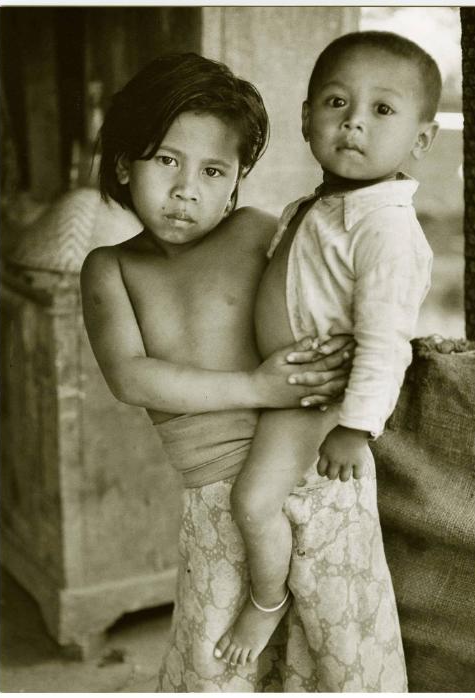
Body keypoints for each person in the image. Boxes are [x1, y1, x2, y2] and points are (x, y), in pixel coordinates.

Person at [80, 52, 363, 692]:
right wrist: (254, 387)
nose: (187, 189)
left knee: (339, 651)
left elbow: (328, 305)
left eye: (213, 171)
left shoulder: (261, 232)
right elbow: (130, 376)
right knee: (213, 666)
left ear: (235, 181)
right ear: (125, 163)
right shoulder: (112, 268)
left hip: (317, 471)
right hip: (216, 496)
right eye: (166, 160)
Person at [215, 29, 440, 683]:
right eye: (337, 103)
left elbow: (384, 341)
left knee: (254, 501)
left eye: (382, 110)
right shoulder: (317, 205)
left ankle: (265, 602)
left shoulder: (387, 229)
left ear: (420, 141)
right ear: (308, 117)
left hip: (315, 400)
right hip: (283, 382)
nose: (354, 124)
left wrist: (356, 425)